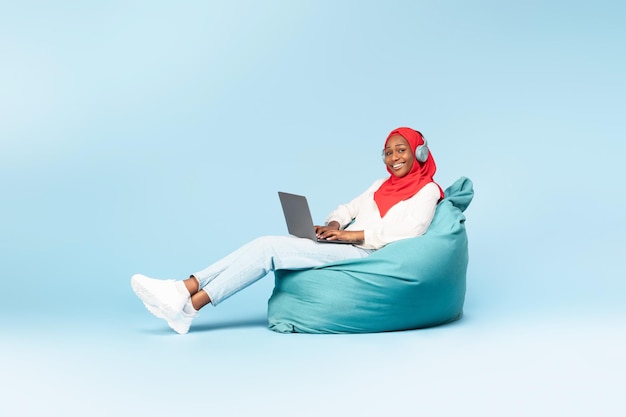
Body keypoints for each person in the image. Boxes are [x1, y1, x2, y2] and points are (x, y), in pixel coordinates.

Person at [131, 127, 444, 334]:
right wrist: (334, 224)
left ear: (418, 152)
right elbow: (347, 209)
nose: (393, 158)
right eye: (388, 152)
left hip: (367, 254)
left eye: (401, 150)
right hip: (345, 245)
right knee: (265, 246)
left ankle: (185, 294)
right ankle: (187, 301)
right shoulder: (380, 186)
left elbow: (411, 229)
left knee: (268, 248)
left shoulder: (427, 190)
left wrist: (351, 236)